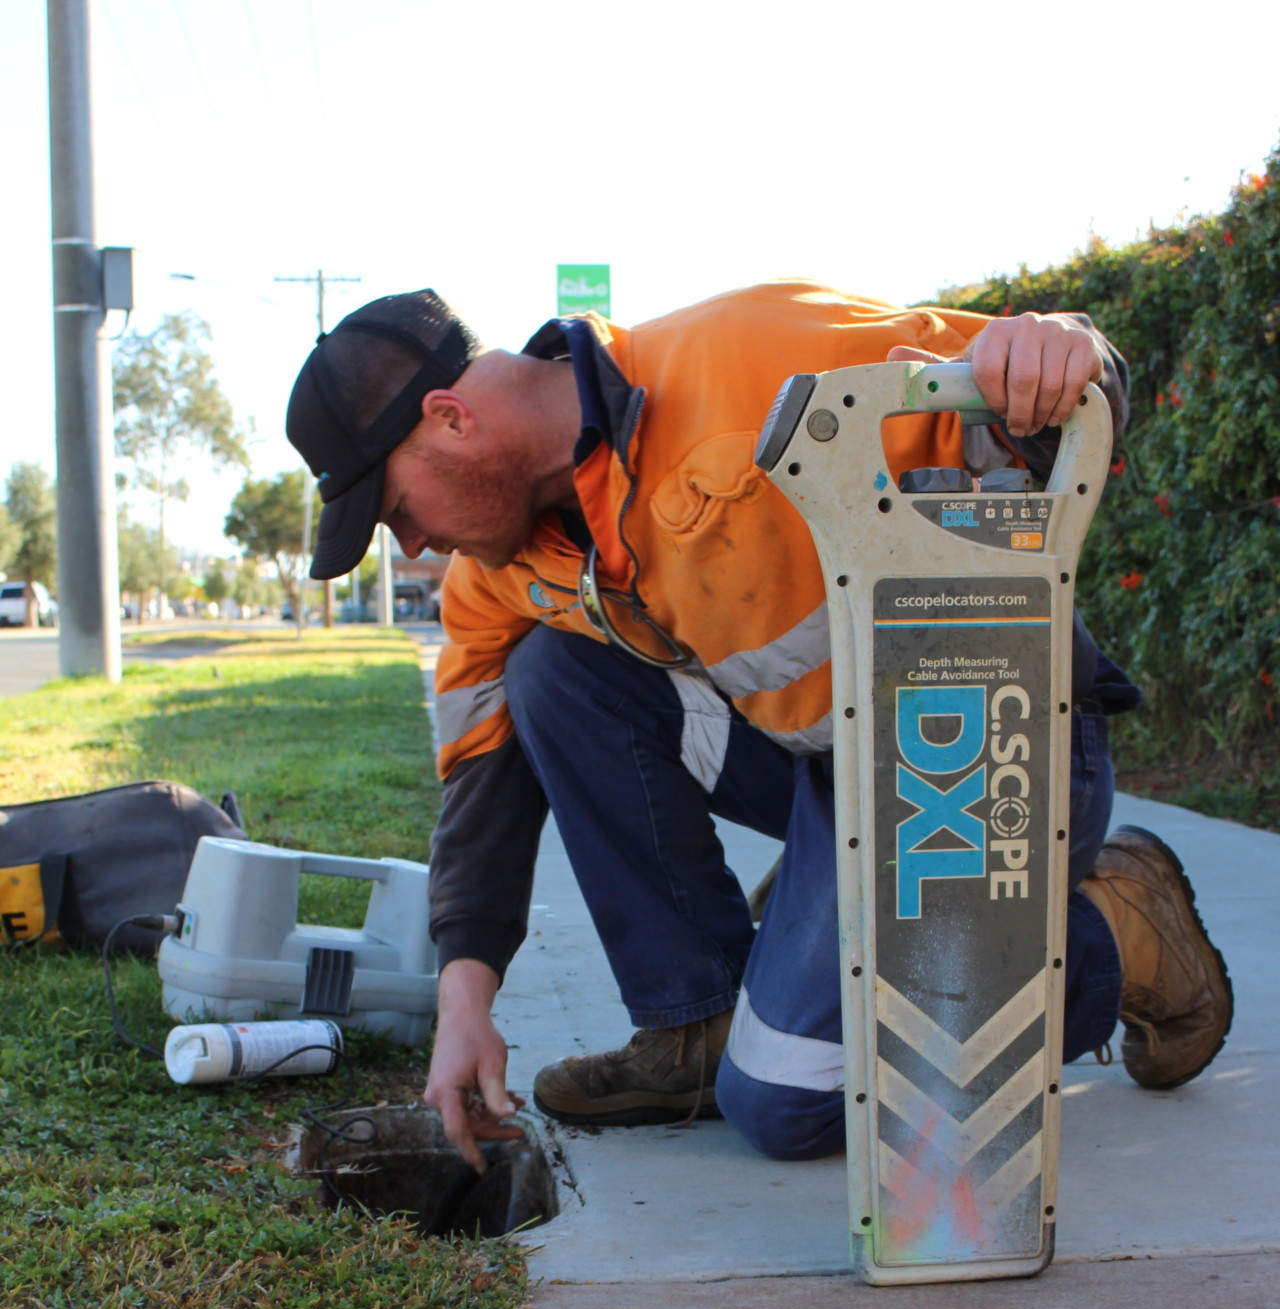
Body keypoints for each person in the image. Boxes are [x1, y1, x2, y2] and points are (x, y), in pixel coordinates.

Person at [286, 281, 1233, 1174]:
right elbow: (483, 774)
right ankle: (695, 1020)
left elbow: (1031, 377)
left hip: (986, 756)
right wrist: (465, 1004)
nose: (410, 544)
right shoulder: (496, 574)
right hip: (827, 769)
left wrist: (1063, 348)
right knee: (551, 673)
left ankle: (1117, 931)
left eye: (397, 508)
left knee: (784, 1104)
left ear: (451, 418)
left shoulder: (752, 361)